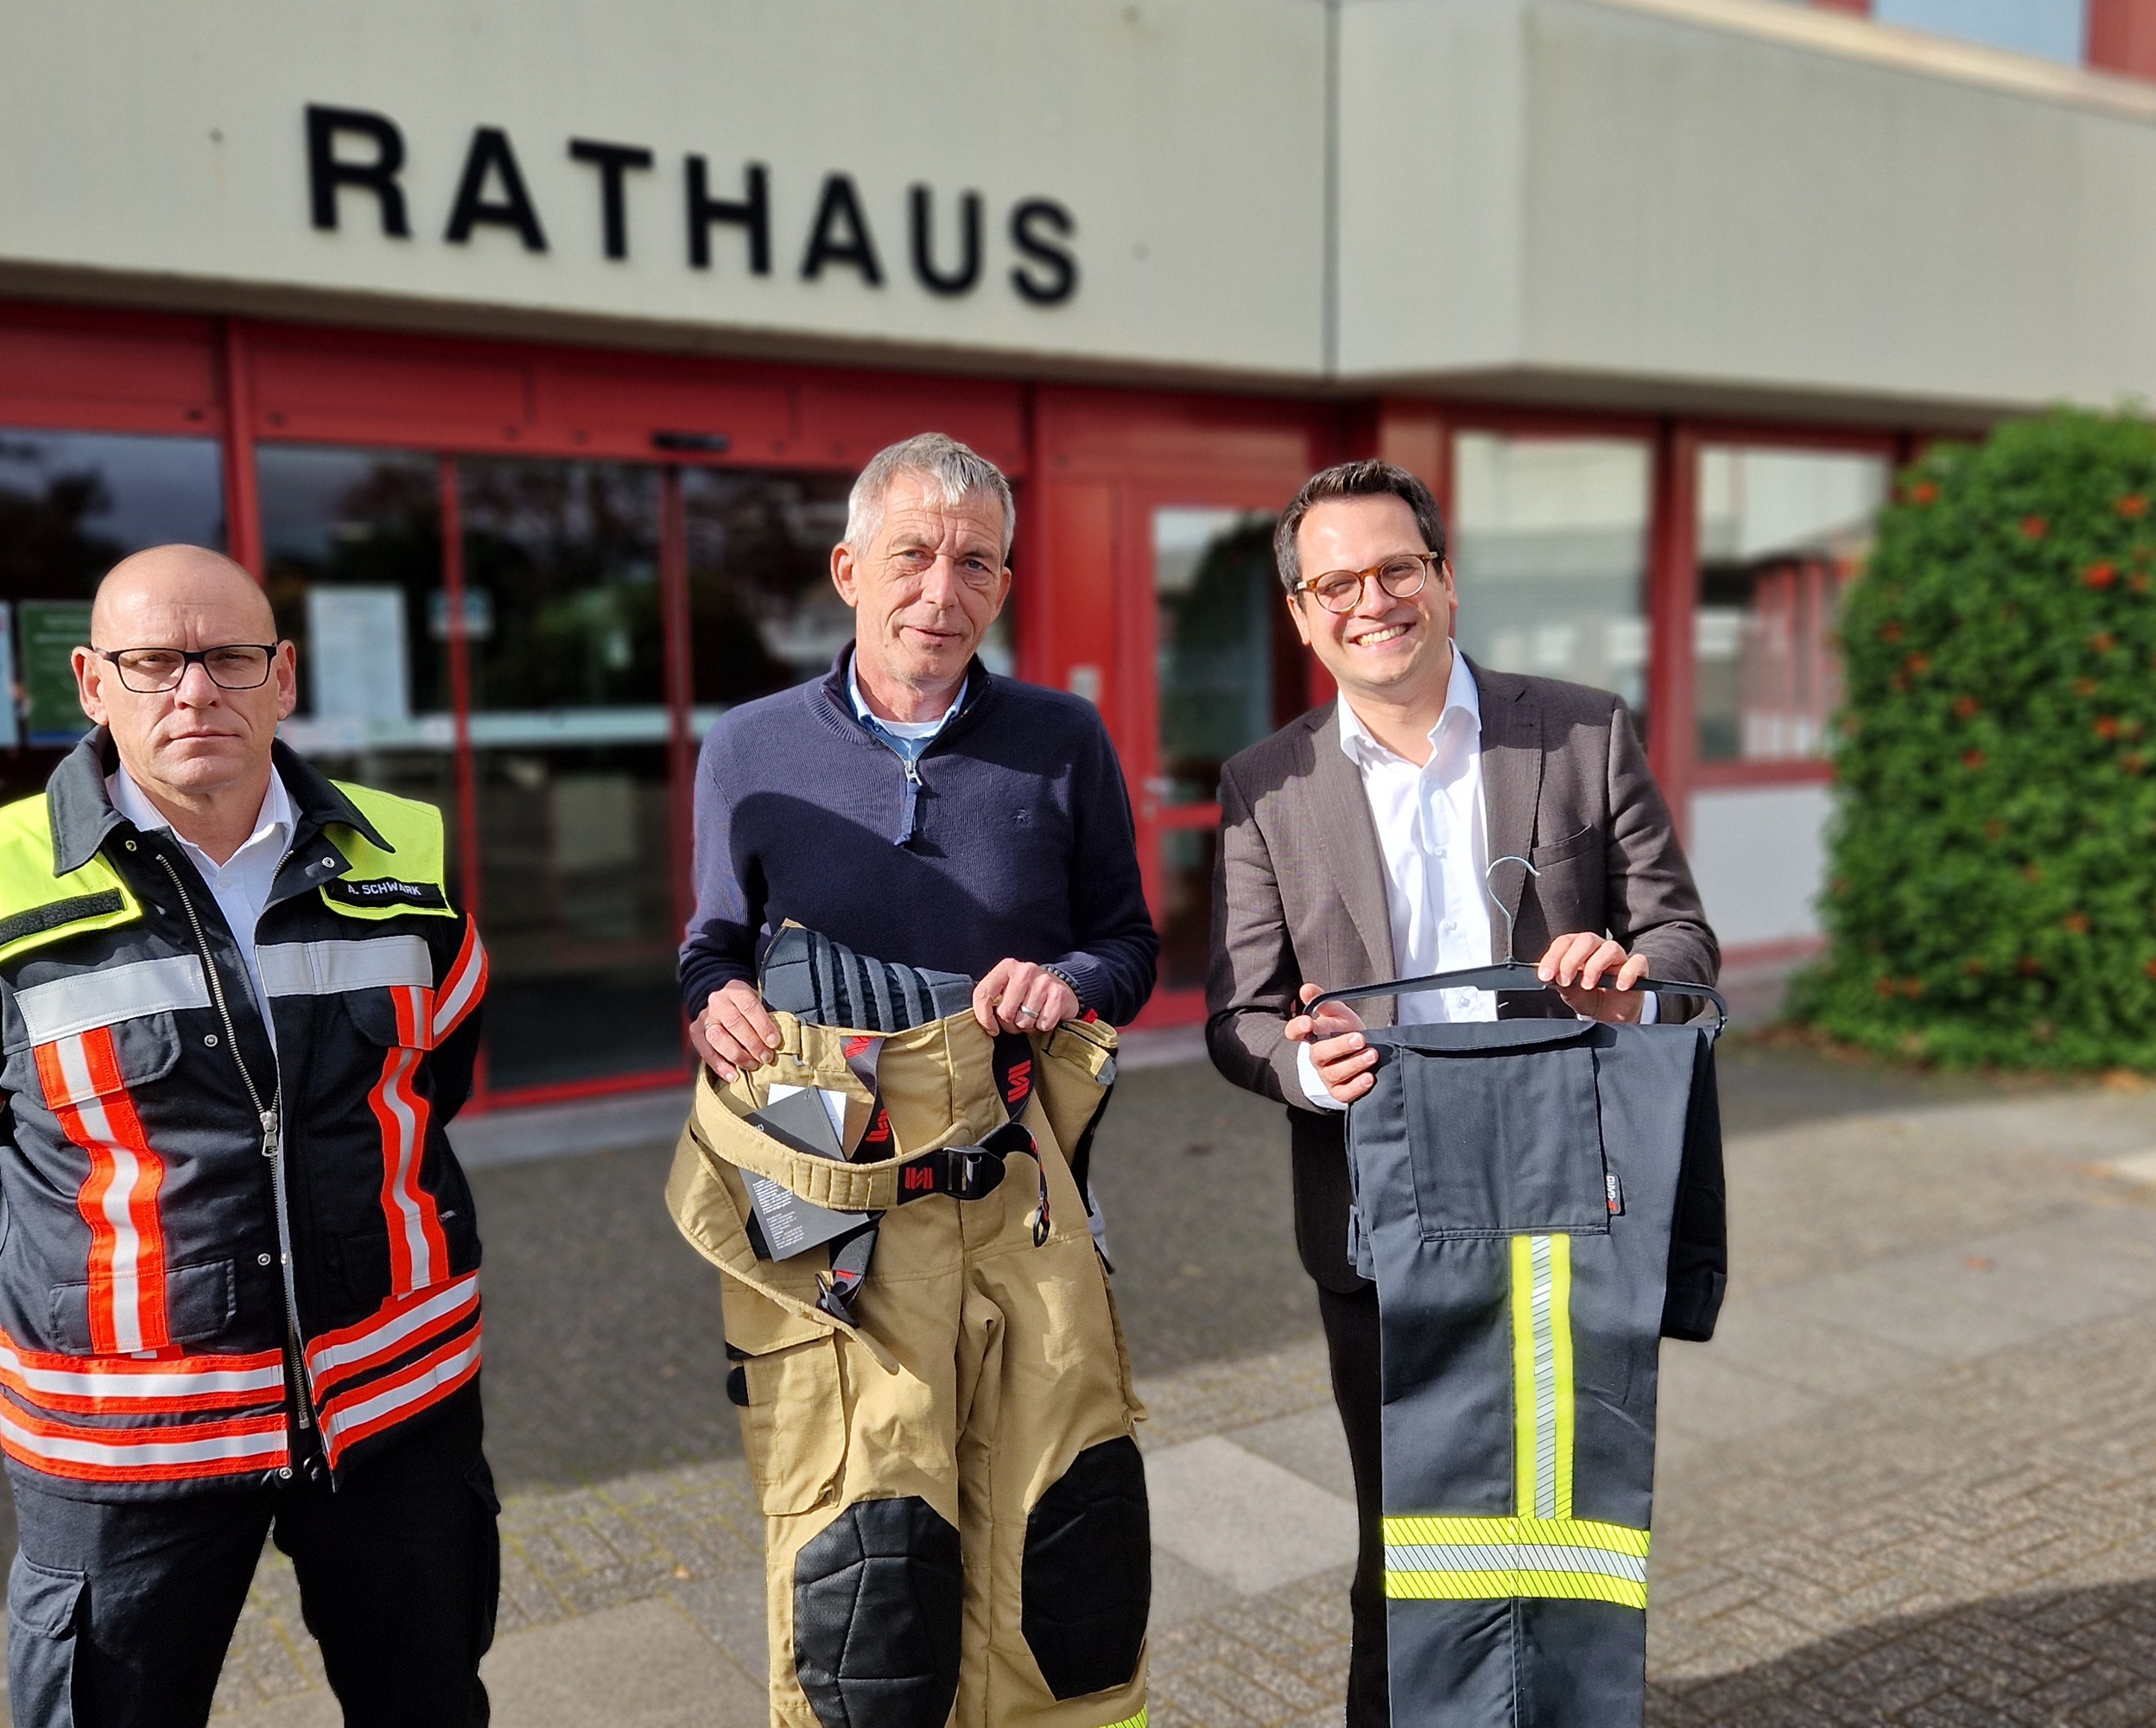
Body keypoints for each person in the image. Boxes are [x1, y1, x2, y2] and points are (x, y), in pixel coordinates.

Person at [0, 545, 497, 1727]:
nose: (195, 691)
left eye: (229, 658)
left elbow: (436, 1079)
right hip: (127, 1441)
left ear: (285, 676)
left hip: (394, 1406)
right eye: (154, 662)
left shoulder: (404, 855)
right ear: (91, 683)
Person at [1206, 460, 1715, 1726]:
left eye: (1396, 568)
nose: (1370, 601)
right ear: (1301, 614)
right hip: (1381, 1211)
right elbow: (1239, 1013)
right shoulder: (1266, 785)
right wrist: (1301, 1067)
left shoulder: (1582, 731)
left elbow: (1683, 945)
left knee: (1574, 1524)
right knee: (1409, 1541)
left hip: (1570, 1196)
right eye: (1335, 583)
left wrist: (1631, 982)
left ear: (1444, 579)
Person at [676, 432, 1161, 1728]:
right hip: (825, 1182)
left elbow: (1128, 944)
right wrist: (713, 999)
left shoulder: (1063, 739)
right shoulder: (750, 748)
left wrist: (1069, 983)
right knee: (865, 1560)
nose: (940, 593)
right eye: (910, 557)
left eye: (975, 564)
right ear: (848, 571)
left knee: (1062, 1534)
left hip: (1019, 1179)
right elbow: (712, 946)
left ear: (1004, 584)